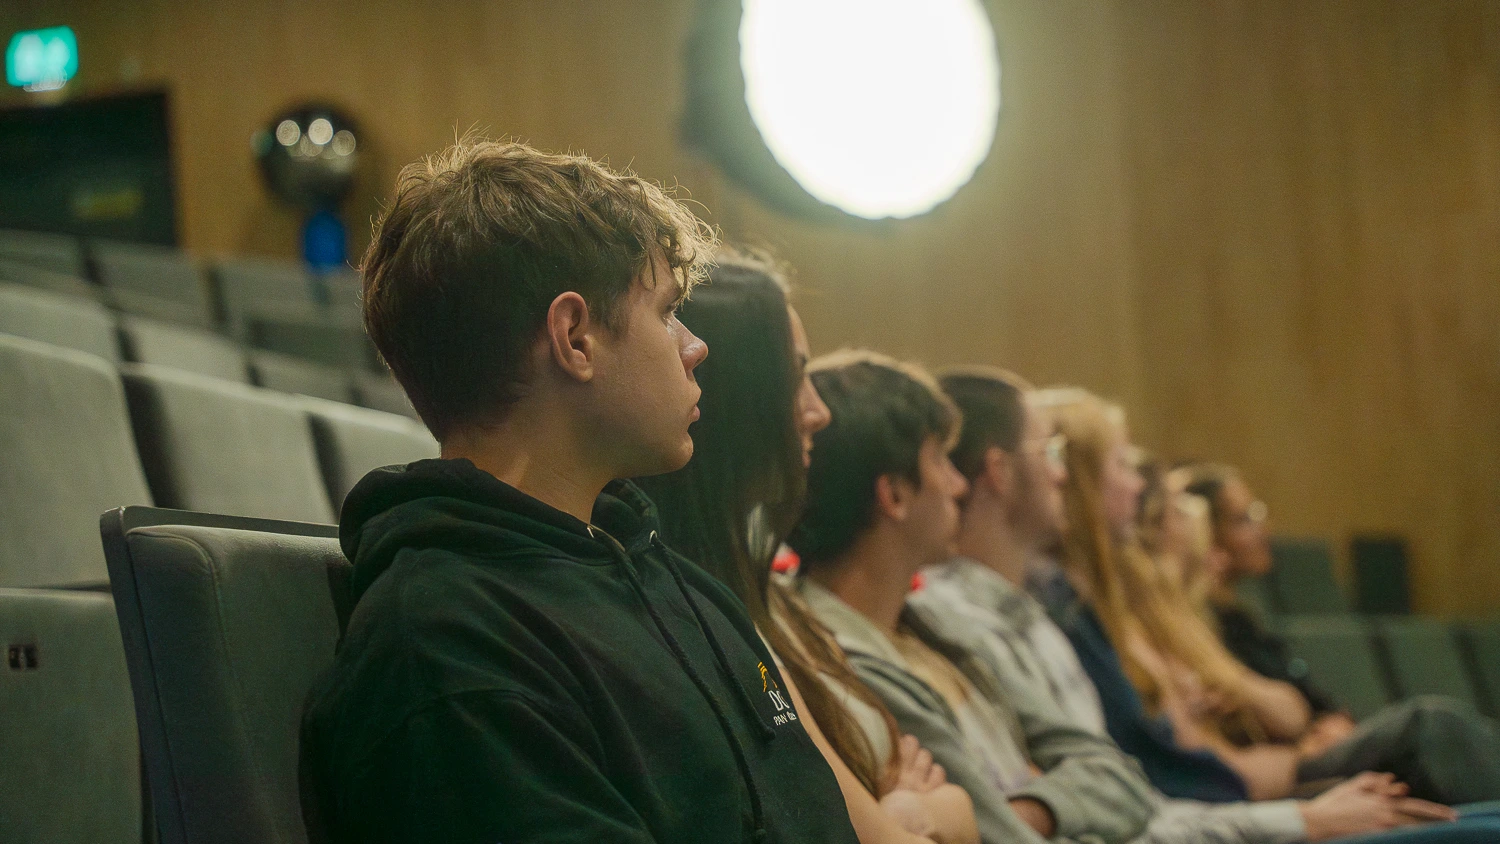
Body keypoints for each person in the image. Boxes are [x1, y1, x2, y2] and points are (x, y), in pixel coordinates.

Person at [299, 139, 860, 844]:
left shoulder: (674, 581)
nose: (695, 347)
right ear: (574, 338)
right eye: (665, 312)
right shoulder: (448, 656)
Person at [925, 368, 1462, 843]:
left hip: (1202, 820)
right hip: (1214, 813)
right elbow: (1135, 789)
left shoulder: (1035, 616)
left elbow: (1118, 792)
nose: (1063, 477)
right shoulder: (985, 619)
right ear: (997, 471)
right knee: (1429, 735)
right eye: (1053, 455)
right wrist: (1302, 812)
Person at [633, 249, 979, 844]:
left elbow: (960, 806)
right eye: (794, 378)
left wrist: (917, 812)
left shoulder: (771, 601)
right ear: (739, 396)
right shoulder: (698, 606)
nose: (818, 412)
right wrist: (907, 816)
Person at [788, 351, 1159, 844]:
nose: (958, 484)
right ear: (895, 495)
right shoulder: (842, 664)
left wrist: (1033, 806)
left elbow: (1119, 775)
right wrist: (1044, 799)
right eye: (940, 459)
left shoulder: (937, 629)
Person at [1182, 463, 1500, 807]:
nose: (1265, 530)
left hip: (1318, 746)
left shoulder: (1240, 619)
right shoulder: (1194, 626)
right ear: (1205, 536)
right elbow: (1245, 730)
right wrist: (1301, 741)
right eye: (1244, 520)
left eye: (1258, 514)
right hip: (1288, 770)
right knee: (1429, 725)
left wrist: (1333, 722)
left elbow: (1302, 701)